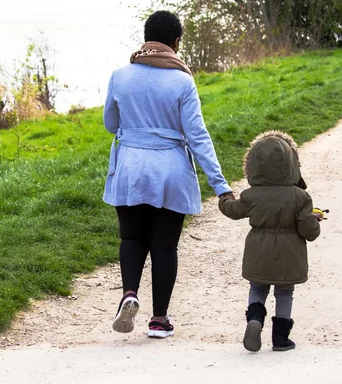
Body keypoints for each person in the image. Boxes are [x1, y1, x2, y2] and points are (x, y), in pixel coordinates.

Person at [103, 10, 232, 338]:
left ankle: (129, 294)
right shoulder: (182, 80)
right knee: (164, 247)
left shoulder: (120, 75)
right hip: (170, 170)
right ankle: (159, 320)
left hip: (131, 167)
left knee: (131, 238)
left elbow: (110, 124)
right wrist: (220, 186)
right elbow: (197, 136)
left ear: (145, 38)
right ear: (176, 43)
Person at [218, 131, 322, 352]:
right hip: (289, 254)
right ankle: (281, 339)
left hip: (258, 252)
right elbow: (309, 231)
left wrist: (224, 198)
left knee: (257, 287)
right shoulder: (300, 197)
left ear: (253, 165)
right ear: (293, 164)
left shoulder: (251, 195)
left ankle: (255, 319)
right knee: (284, 292)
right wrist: (314, 220)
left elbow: (233, 211)